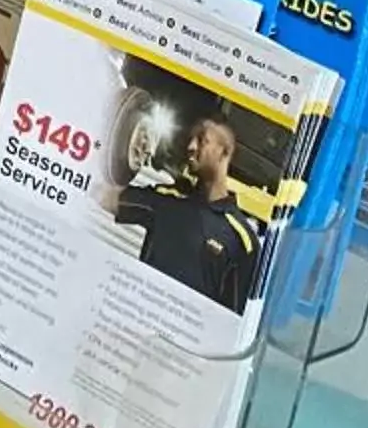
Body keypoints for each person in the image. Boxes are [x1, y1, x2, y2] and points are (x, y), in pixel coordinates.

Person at [111, 108, 262, 311]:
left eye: (202, 140)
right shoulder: (167, 199)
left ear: (224, 152)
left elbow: (232, 320)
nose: (191, 146)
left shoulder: (242, 241)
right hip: (136, 322)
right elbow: (107, 197)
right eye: (191, 139)